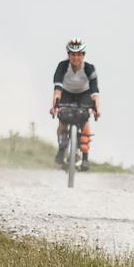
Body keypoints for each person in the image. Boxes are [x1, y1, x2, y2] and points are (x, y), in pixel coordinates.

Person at [49, 39, 100, 170]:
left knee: (84, 120)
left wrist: (97, 109)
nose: (76, 57)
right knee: (63, 119)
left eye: (79, 54)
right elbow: (57, 90)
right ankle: (61, 149)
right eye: (72, 54)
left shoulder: (89, 68)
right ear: (68, 55)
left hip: (84, 94)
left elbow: (95, 92)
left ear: (83, 55)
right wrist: (54, 106)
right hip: (66, 93)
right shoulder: (62, 66)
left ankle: (85, 157)